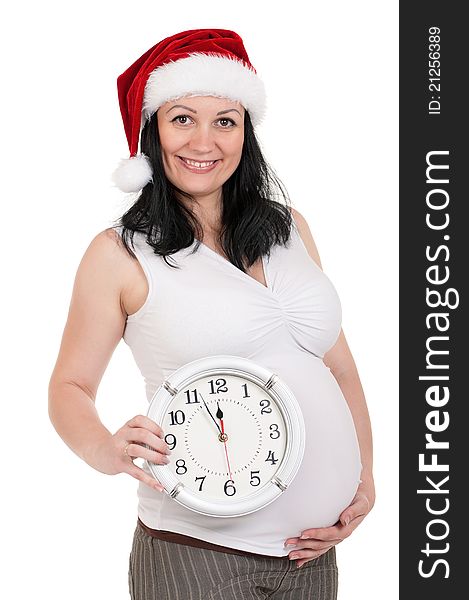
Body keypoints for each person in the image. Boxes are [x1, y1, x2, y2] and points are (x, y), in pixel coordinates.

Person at [48, 28, 375, 600]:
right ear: (152, 132)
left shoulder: (289, 228)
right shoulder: (119, 254)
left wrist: (363, 480)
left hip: (311, 555)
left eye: (225, 120)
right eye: (182, 119)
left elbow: (339, 367)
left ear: (246, 132)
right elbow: (69, 385)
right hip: (196, 556)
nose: (205, 141)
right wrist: (103, 449)